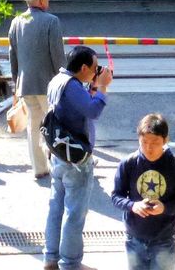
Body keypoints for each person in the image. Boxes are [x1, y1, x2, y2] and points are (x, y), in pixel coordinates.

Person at [44, 45, 112, 270]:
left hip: (58, 154)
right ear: (83, 67)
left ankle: (51, 257)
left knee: (56, 207)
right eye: (94, 68)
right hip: (76, 158)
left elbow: (76, 107)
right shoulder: (72, 87)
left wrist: (92, 88)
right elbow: (93, 111)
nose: (95, 71)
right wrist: (102, 87)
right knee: (75, 213)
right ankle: (70, 263)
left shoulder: (58, 80)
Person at [110, 113, 175, 270]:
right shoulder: (128, 163)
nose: (149, 147)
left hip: (164, 238)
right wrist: (132, 206)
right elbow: (116, 196)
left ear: (165, 140)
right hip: (134, 237)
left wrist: (165, 208)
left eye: (155, 142)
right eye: (144, 142)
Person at [9, 0, 66, 179]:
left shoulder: (16, 22)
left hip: (25, 85)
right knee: (56, 126)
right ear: (41, 0)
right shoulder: (51, 21)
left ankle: (39, 169)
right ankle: (62, 166)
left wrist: (16, 84)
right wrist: (66, 81)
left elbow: (13, 56)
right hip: (48, 85)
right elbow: (58, 56)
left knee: (34, 126)